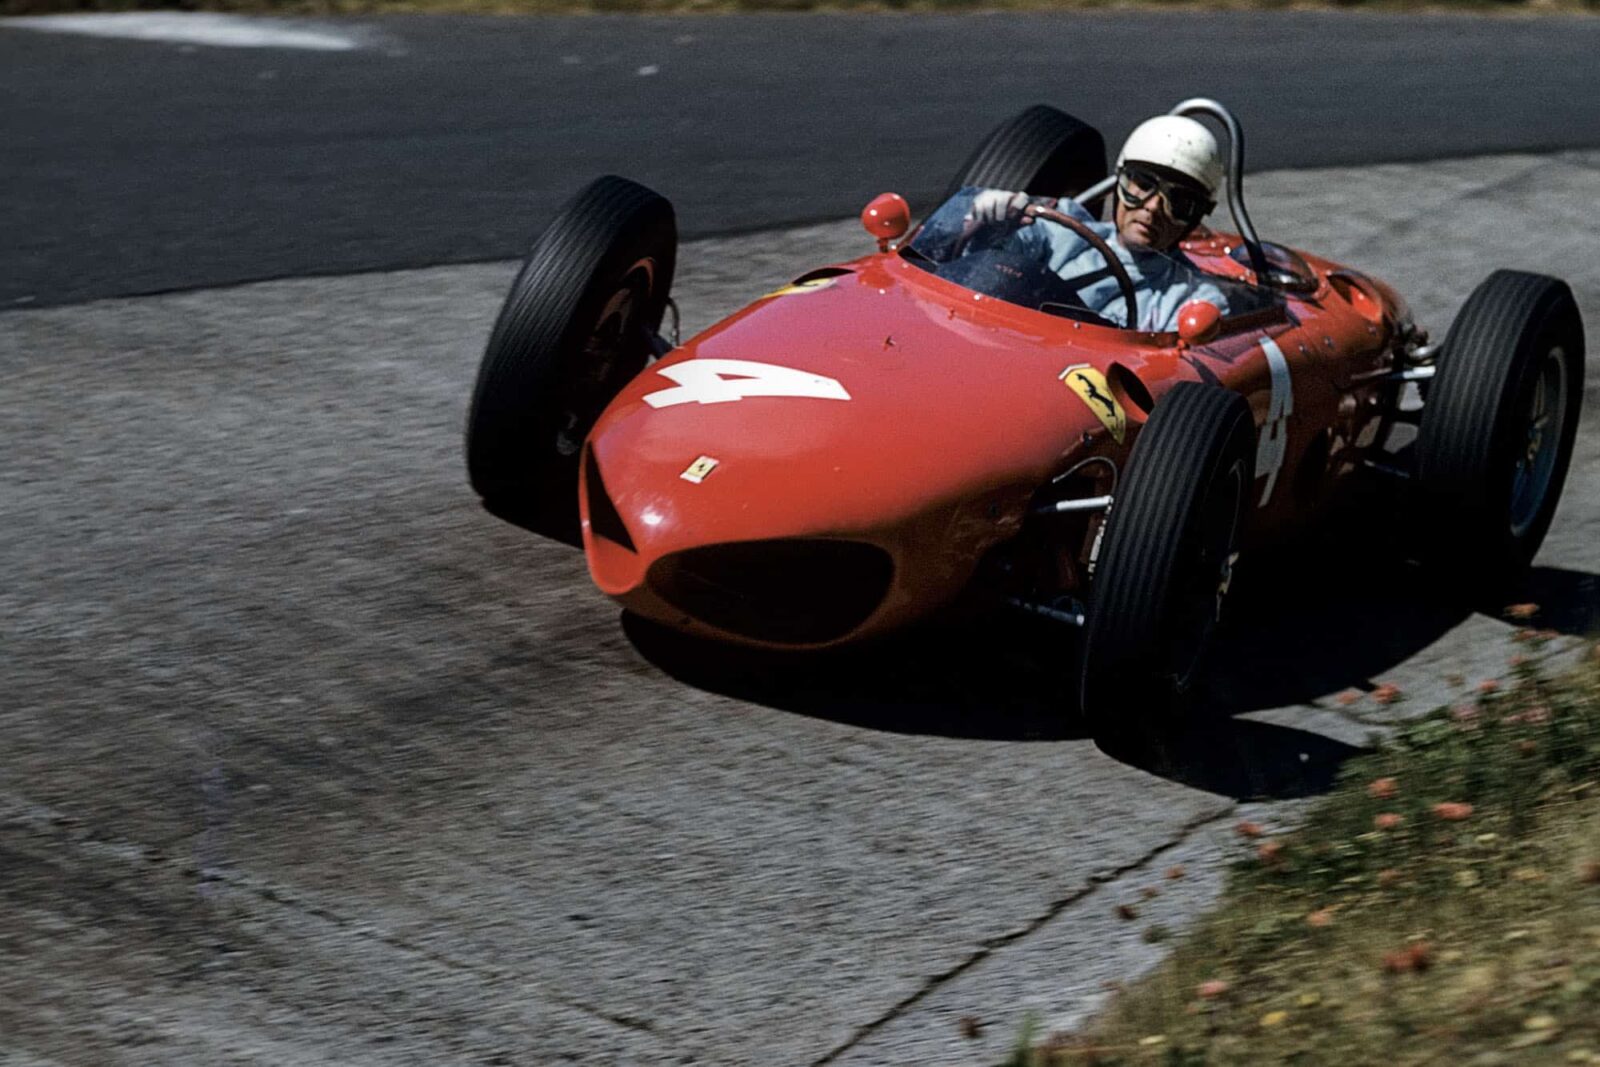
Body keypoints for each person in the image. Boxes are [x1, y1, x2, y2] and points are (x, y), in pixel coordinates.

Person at [964, 115, 1233, 331]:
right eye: (1142, 184)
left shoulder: (1191, 300)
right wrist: (987, 222)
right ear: (1119, 183)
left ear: (1197, 215)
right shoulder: (1061, 230)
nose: (1152, 208)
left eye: (1180, 201)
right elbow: (982, 265)